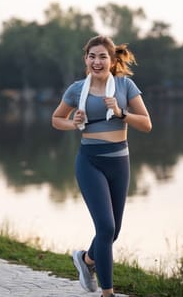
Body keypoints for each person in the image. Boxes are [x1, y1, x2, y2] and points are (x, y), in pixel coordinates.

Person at [52, 35, 152, 297]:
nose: (97, 61)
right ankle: (107, 293)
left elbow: (146, 123)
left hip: (120, 162)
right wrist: (73, 122)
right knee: (106, 228)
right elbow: (56, 119)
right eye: (92, 56)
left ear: (113, 60)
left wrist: (121, 113)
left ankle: (86, 260)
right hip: (90, 161)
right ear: (86, 59)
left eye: (102, 56)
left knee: (113, 231)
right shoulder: (76, 90)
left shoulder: (125, 85)